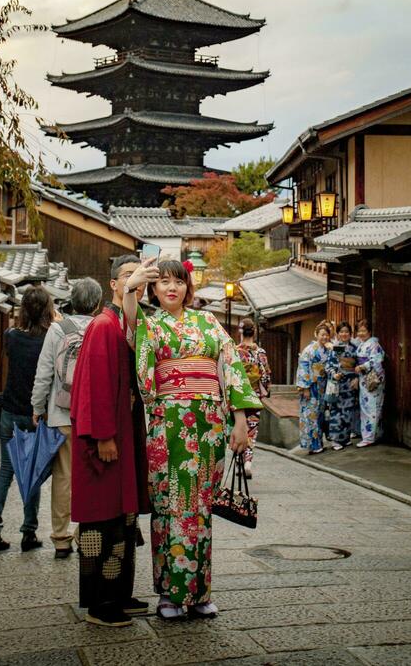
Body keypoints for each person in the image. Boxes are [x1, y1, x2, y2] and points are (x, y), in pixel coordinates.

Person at [123, 258, 262, 621]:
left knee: (200, 507)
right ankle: (169, 594)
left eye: (179, 282)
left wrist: (240, 421)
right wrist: (129, 288)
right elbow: (131, 326)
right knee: (169, 505)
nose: (172, 288)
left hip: (208, 424)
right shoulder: (150, 326)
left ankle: (200, 592)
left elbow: (231, 369)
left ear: (189, 287)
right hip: (167, 423)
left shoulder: (209, 322)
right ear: (153, 289)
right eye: (164, 282)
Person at [69, 255, 150, 628]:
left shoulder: (128, 322)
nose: (136, 280)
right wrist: (102, 435)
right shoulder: (103, 325)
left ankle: (119, 592)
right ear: (114, 285)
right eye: (127, 275)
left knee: (123, 519)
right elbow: (96, 386)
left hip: (125, 431)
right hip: (106, 436)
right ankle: (101, 602)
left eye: (140, 275)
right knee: (103, 521)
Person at [32, 277, 103, 558]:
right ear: (97, 303)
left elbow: (44, 373)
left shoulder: (57, 330)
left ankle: (61, 538)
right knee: (93, 475)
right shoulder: (104, 327)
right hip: (96, 416)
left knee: (63, 477)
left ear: (72, 301)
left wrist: (37, 408)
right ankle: (84, 531)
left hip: (62, 414)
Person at [0, 285, 54, 554]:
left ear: (23, 309)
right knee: (31, 473)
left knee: (5, 471)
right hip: (37, 414)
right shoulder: (50, 338)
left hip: (10, 412)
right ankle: (29, 532)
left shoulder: (11, 336)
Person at [236, 318, 271, 477]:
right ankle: (248, 461)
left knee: (237, 429)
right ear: (254, 332)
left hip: (238, 397)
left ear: (240, 332)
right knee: (251, 431)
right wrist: (265, 392)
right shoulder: (260, 352)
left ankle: (239, 465)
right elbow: (265, 376)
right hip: (254, 396)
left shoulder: (235, 351)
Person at [296, 320, 333, 455]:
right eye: (322, 334)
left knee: (320, 415)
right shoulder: (309, 350)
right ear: (316, 334)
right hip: (311, 387)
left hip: (323, 386)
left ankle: (318, 443)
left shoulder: (328, 350)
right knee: (311, 416)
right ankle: (314, 445)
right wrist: (305, 388)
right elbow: (303, 368)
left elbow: (332, 365)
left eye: (326, 335)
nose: (324, 337)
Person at [325, 321, 360, 451]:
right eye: (341, 332)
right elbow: (329, 365)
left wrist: (357, 378)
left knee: (348, 411)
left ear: (350, 334)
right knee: (336, 412)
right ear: (338, 334)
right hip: (339, 383)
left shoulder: (354, 348)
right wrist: (334, 374)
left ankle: (345, 438)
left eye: (346, 332)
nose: (344, 334)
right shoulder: (336, 348)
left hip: (350, 383)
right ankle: (335, 439)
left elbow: (358, 365)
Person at [354, 318, 385, 447]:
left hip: (372, 379)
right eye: (359, 331)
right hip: (364, 379)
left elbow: (377, 359)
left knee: (372, 407)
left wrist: (363, 366)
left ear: (370, 331)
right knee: (366, 407)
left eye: (364, 331)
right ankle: (372, 434)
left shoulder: (373, 344)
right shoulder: (362, 344)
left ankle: (369, 437)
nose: (361, 333)